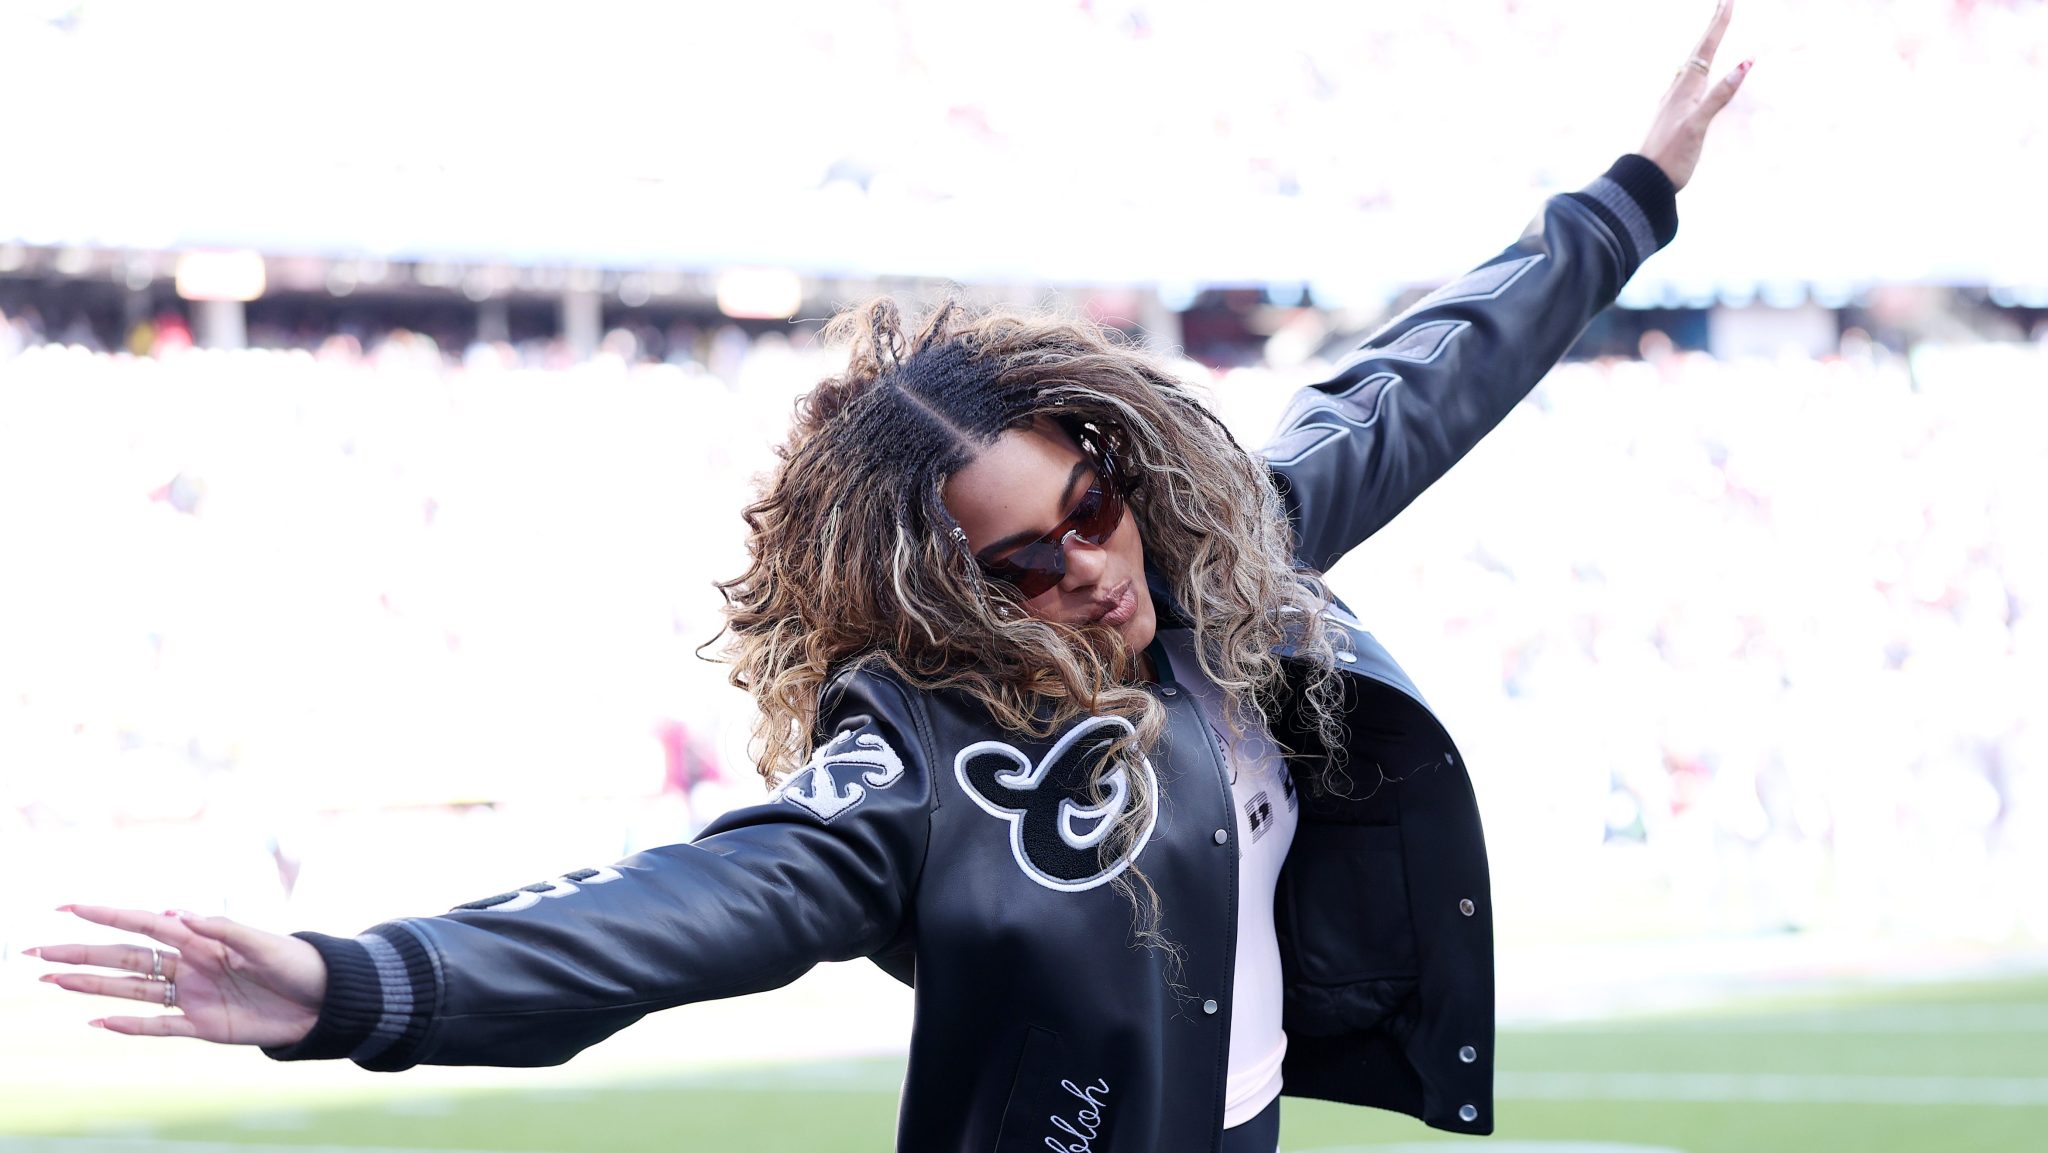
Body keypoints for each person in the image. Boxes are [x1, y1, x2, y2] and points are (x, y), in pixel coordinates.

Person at [31, 7, 1752, 1150]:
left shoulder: (1221, 554)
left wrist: (1625, 205)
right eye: (1027, 557)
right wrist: (359, 986)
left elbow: (1418, 384)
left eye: (1094, 505)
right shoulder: (922, 750)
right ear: (947, 594)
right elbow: (680, 912)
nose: (1091, 565)